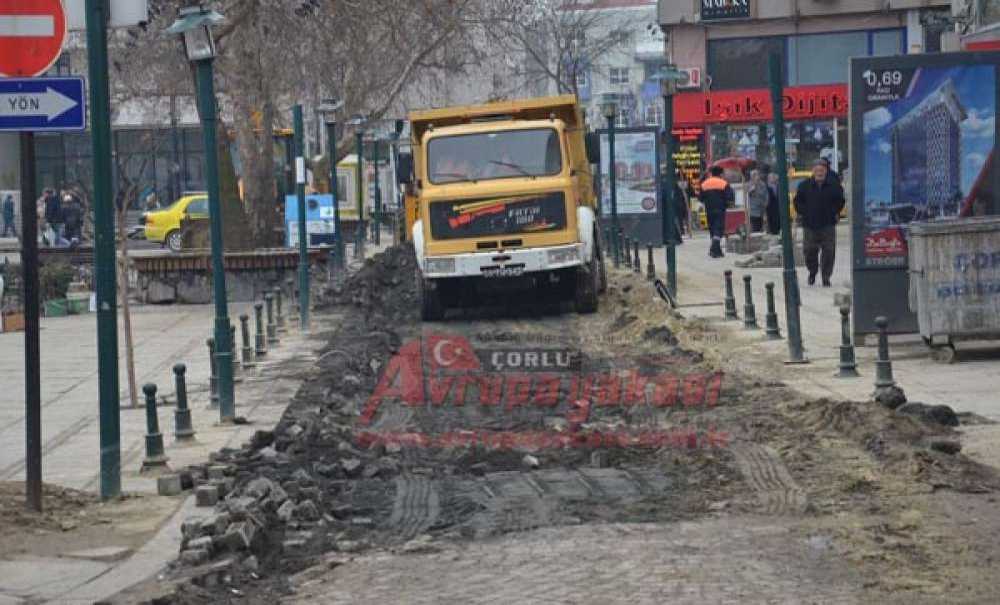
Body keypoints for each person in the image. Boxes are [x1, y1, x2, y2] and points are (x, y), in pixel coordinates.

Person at [794, 159, 846, 287]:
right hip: (810, 225)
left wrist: (834, 212)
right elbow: (797, 202)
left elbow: (840, 200)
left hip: (827, 224)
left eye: (822, 170)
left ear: (826, 171)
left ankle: (826, 276)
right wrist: (804, 212)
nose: (819, 173)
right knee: (809, 251)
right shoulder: (804, 186)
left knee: (829, 252)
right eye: (817, 170)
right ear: (813, 171)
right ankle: (812, 271)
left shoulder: (833, 185)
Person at [700, 166, 734, 258]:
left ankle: (717, 251)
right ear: (720, 174)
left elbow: (701, 198)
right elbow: (730, 197)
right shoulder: (724, 183)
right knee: (718, 229)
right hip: (720, 209)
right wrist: (729, 204)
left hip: (709, 210)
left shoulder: (705, 184)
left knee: (713, 229)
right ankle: (714, 248)